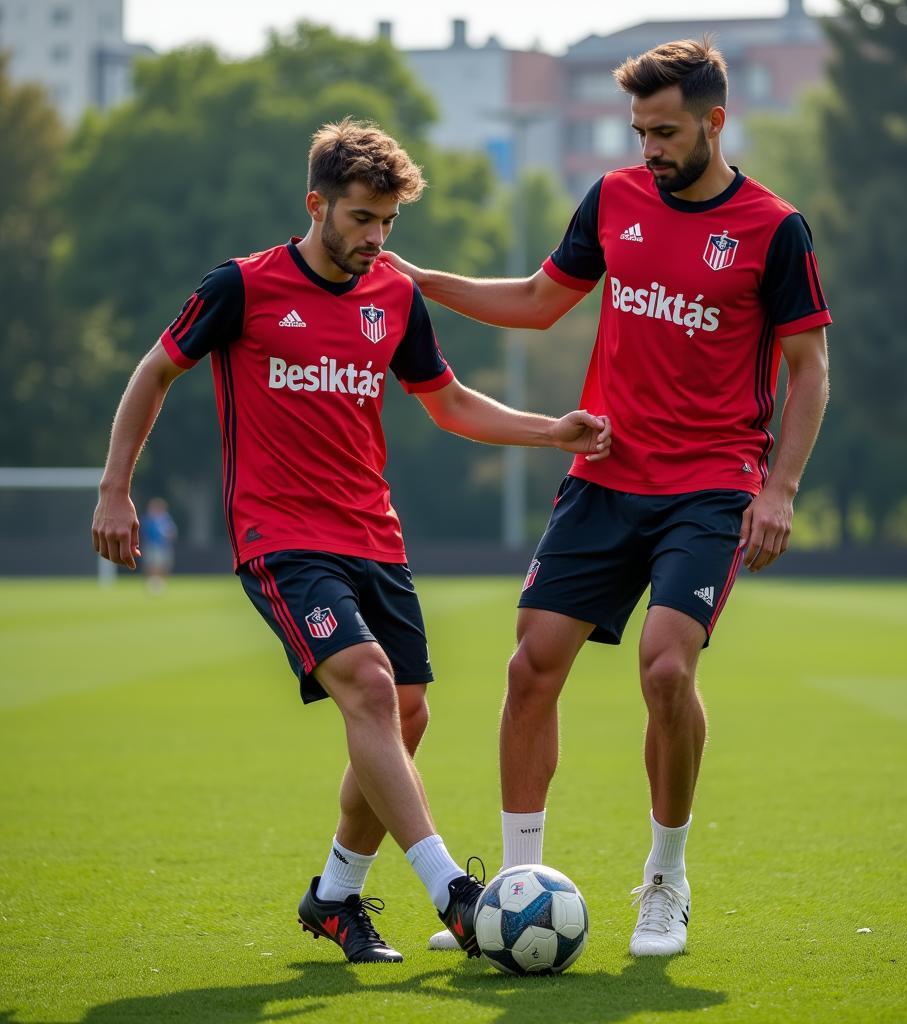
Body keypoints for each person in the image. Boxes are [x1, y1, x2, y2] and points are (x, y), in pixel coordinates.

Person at [91, 118, 611, 964]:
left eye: (389, 224)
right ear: (317, 205)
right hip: (280, 535)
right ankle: (454, 889)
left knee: (405, 715)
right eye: (364, 219)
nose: (377, 240)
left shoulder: (395, 298)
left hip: (374, 535)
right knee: (369, 685)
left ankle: (333, 897)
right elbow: (155, 369)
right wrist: (114, 489)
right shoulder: (242, 286)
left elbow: (447, 401)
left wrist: (550, 429)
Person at [385, 38, 831, 957]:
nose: (649, 149)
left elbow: (809, 368)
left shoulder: (773, 228)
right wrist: (423, 282)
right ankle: (513, 889)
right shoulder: (616, 199)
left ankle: (664, 881)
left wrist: (779, 487)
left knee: (667, 671)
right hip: (605, 472)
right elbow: (540, 299)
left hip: (710, 484)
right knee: (528, 669)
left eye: (665, 131)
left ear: (716, 120)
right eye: (638, 131)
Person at [139, 497, 177, 592]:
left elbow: (172, 531)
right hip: (152, 546)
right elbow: (145, 532)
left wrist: (169, 535)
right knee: (152, 565)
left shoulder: (166, 518)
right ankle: (152, 584)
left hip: (164, 546)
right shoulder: (148, 519)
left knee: (164, 565)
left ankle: (161, 584)